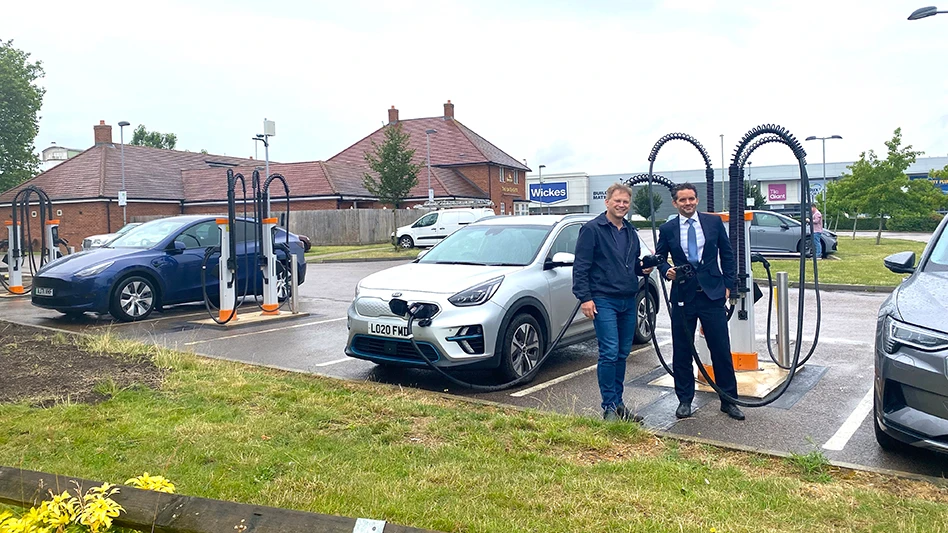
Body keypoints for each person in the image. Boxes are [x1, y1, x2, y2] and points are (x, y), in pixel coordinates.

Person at [655, 183, 744, 421]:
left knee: (721, 349)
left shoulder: (713, 223)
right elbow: (660, 258)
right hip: (683, 296)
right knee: (682, 349)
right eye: (682, 200)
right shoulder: (668, 229)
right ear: (675, 203)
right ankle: (685, 400)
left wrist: (728, 285)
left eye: (691, 199)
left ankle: (729, 400)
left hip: (712, 294)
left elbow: (727, 254)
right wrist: (666, 271)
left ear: (697, 200)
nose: (688, 203)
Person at [572, 183, 653, 422]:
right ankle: (608, 406)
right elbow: (581, 267)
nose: (621, 205)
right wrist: (585, 298)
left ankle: (618, 404)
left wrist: (643, 267)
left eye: (625, 202)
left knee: (621, 354)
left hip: (628, 299)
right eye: (617, 201)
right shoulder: (592, 229)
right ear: (607, 202)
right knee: (608, 352)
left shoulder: (629, 230)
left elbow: (632, 265)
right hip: (603, 299)